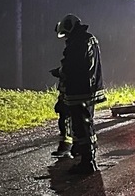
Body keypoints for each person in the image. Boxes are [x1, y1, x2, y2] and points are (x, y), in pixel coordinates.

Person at [54, 14, 106, 174]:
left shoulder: (78, 42)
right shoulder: (88, 38)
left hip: (80, 91)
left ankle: (87, 163)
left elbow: (72, 65)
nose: (67, 37)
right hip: (89, 89)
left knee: (81, 126)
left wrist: (59, 72)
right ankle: (86, 155)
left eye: (67, 34)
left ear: (70, 27)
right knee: (86, 125)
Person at [49, 66, 73, 158]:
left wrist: (58, 72)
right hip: (68, 94)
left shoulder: (75, 53)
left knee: (65, 120)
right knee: (68, 120)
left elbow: (70, 68)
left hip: (69, 95)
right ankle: (73, 147)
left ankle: (66, 146)